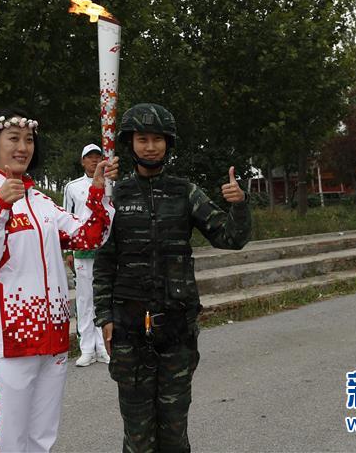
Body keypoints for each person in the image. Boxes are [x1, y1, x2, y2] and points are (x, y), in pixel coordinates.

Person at [94, 103, 251, 453]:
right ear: (130, 143)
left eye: (158, 140)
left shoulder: (185, 192)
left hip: (176, 330)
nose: (150, 147)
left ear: (168, 143)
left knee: (174, 431)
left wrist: (238, 205)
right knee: (137, 435)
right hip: (129, 330)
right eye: (142, 139)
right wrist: (103, 316)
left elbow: (231, 238)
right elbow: (104, 262)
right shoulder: (115, 196)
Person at [0, 107, 119, 453]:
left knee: (41, 441)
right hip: (9, 346)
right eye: (14, 139)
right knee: (7, 444)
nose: (23, 147)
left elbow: (89, 238)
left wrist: (99, 193)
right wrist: (1, 207)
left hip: (52, 342)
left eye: (29, 140)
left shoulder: (43, 203)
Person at [62, 143, 110, 366]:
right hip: (81, 250)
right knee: (84, 299)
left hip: (105, 247)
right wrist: (68, 251)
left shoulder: (111, 184)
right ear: (82, 161)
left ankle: (103, 347)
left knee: (103, 298)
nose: (93, 160)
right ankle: (86, 348)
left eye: (97, 156)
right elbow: (66, 219)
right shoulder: (72, 187)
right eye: (89, 157)